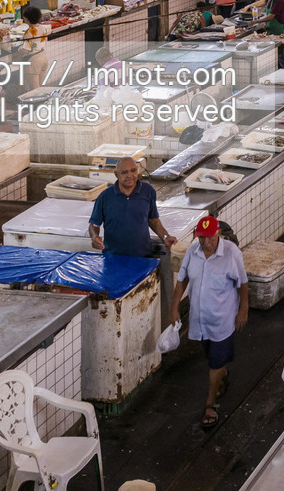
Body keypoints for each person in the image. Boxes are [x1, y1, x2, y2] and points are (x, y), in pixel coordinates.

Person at [169, 216, 248, 430]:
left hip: (222, 320)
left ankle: (210, 404)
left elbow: (242, 283)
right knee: (211, 357)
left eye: (210, 237)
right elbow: (182, 280)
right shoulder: (192, 253)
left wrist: (243, 310)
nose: (206, 242)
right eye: (201, 238)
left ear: (218, 234)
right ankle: (223, 372)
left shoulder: (232, 253)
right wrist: (174, 307)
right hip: (200, 319)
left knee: (214, 363)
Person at [89, 158, 173, 258]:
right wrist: (94, 237)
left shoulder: (148, 191)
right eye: (124, 172)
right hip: (113, 259)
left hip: (142, 258)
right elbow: (94, 224)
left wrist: (165, 236)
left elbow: (153, 220)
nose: (129, 175)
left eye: (133, 170)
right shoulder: (104, 197)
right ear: (116, 175)